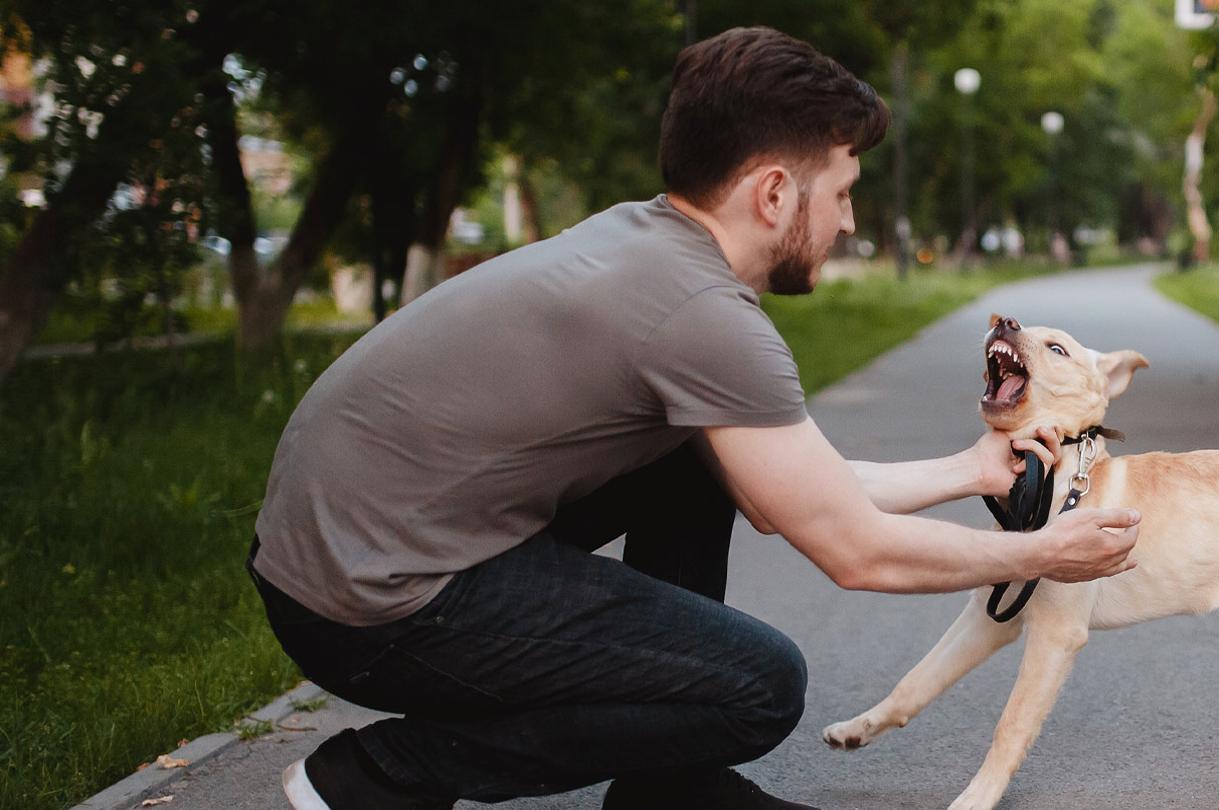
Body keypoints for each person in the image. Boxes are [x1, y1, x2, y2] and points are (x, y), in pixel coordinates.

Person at [248, 27, 1142, 810]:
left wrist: (968, 470)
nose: (850, 219)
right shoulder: (702, 317)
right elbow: (851, 550)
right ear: (774, 194)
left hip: (348, 554)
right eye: (841, 193)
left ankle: (668, 790)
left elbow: (801, 490)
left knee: (690, 462)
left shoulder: (649, 243)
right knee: (756, 685)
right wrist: (1040, 552)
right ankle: (379, 778)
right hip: (371, 605)